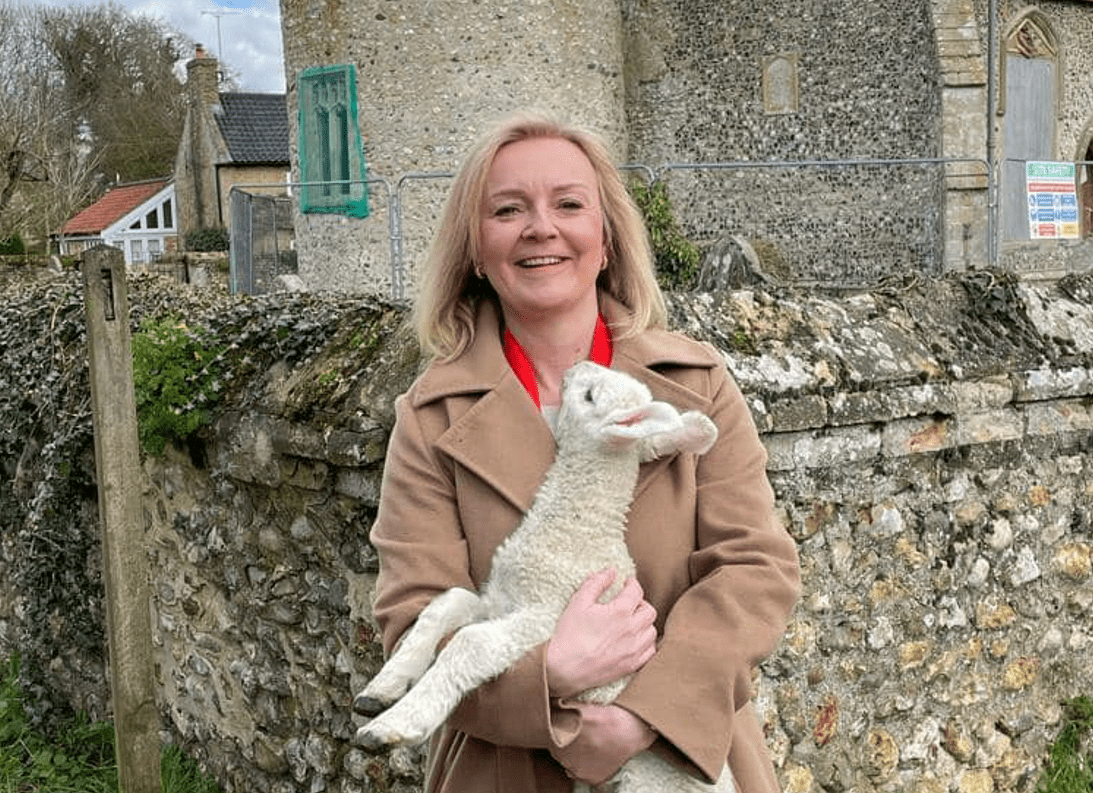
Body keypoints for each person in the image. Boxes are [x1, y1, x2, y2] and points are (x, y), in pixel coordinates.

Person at [366, 110, 800, 793]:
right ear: (475, 250)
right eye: (507, 209)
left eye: (568, 204)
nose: (541, 226)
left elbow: (753, 570)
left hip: (684, 758)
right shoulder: (429, 419)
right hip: (503, 773)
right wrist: (551, 678)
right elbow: (410, 619)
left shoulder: (694, 384)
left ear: (604, 240)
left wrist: (641, 717)